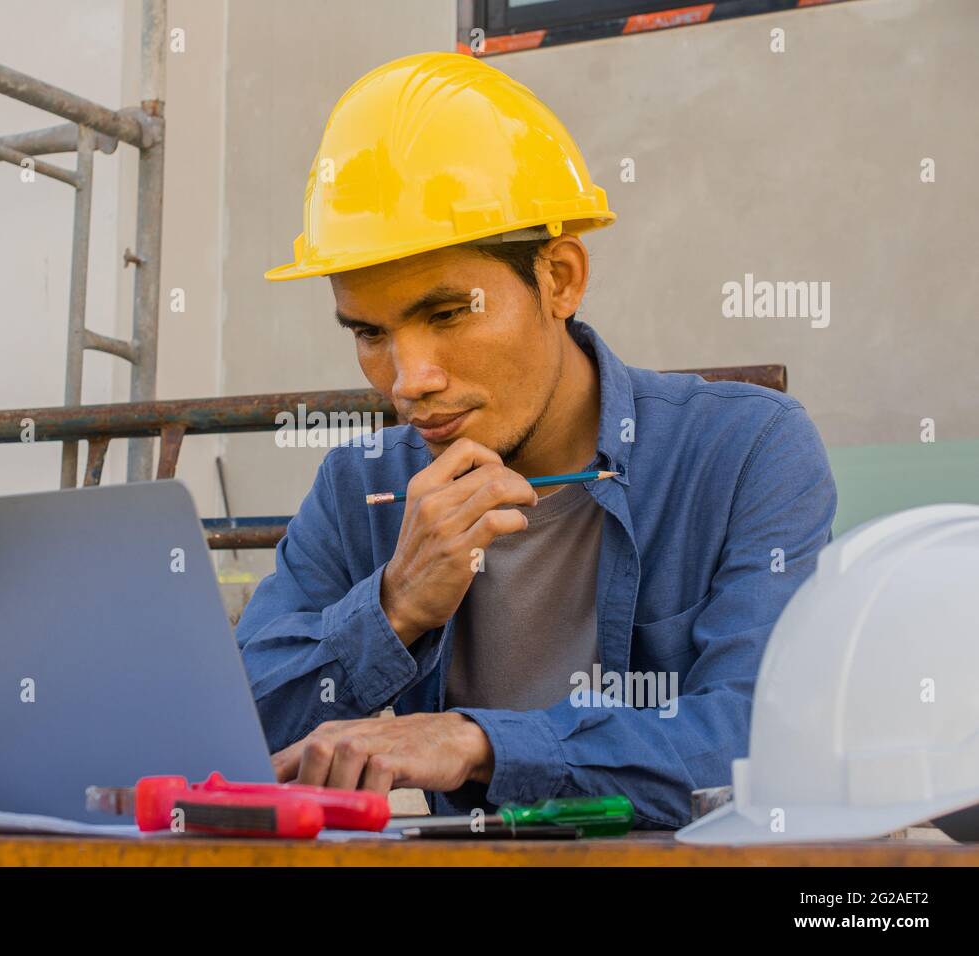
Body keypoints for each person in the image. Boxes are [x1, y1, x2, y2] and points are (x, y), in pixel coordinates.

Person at [238, 52, 837, 827]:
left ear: (560, 277)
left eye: (448, 314)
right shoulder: (362, 489)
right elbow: (231, 740)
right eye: (369, 332)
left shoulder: (745, 453)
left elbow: (764, 740)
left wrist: (480, 743)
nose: (407, 379)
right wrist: (391, 610)